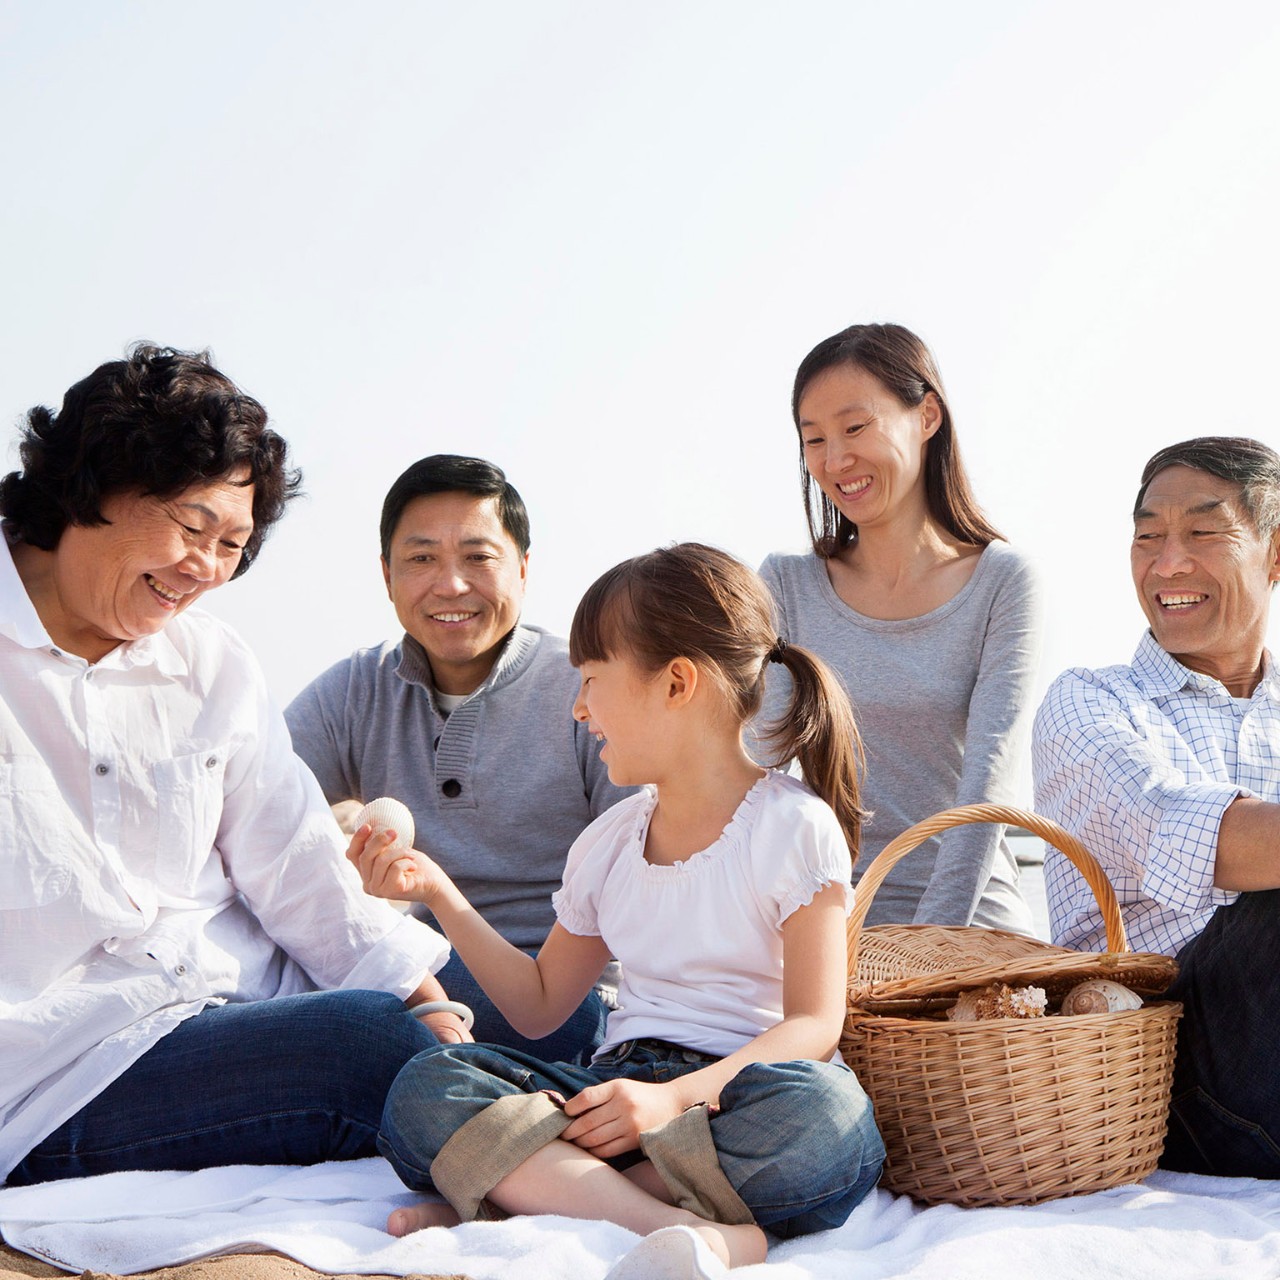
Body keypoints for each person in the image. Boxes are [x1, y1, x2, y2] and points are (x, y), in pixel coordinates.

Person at [349, 543, 885, 1271]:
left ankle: (522, 1193)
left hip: (737, 1092)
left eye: (592, 680)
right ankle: (677, 1226)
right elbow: (539, 1006)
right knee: (427, 1087)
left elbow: (816, 1026)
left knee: (830, 1120)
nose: (578, 707)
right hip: (615, 1086)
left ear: (676, 684)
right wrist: (438, 894)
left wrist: (670, 1105)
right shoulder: (607, 842)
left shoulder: (792, 827)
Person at [0, 345, 454, 1188]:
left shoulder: (211, 662)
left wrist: (420, 989)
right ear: (94, 484)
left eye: (233, 546)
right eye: (192, 528)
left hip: (234, 997)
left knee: (543, 1013)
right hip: (62, 1068)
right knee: (370, 1046)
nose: (206, 570)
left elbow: (295, 861)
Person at [285, 455, 633, 1062]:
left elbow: (651, 873)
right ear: (387, 575)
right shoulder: (354, 691)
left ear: (523, 569)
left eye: (478, 557)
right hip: (423, 972)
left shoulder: (585, 686)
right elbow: (253, 803)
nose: (450, 585)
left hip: (569, 996)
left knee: (360, 1020)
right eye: (421, 559)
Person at [1032, 435, 1280, 1178]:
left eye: (1203, 533)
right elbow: (1197, 836)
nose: (1167, 563)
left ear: (1275, 554)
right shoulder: (1091, 702)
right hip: (1166, 1068)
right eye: (1147, 537)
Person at [758, 322, 1043, 929]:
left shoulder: (1004, 582)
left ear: (927, 417)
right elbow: (757, 760)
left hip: (970, 927)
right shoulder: (785, 585)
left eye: (856, 428)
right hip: (825, 921)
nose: (835, 461)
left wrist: (925, 949)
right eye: (814, 440)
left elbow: (988, 786)